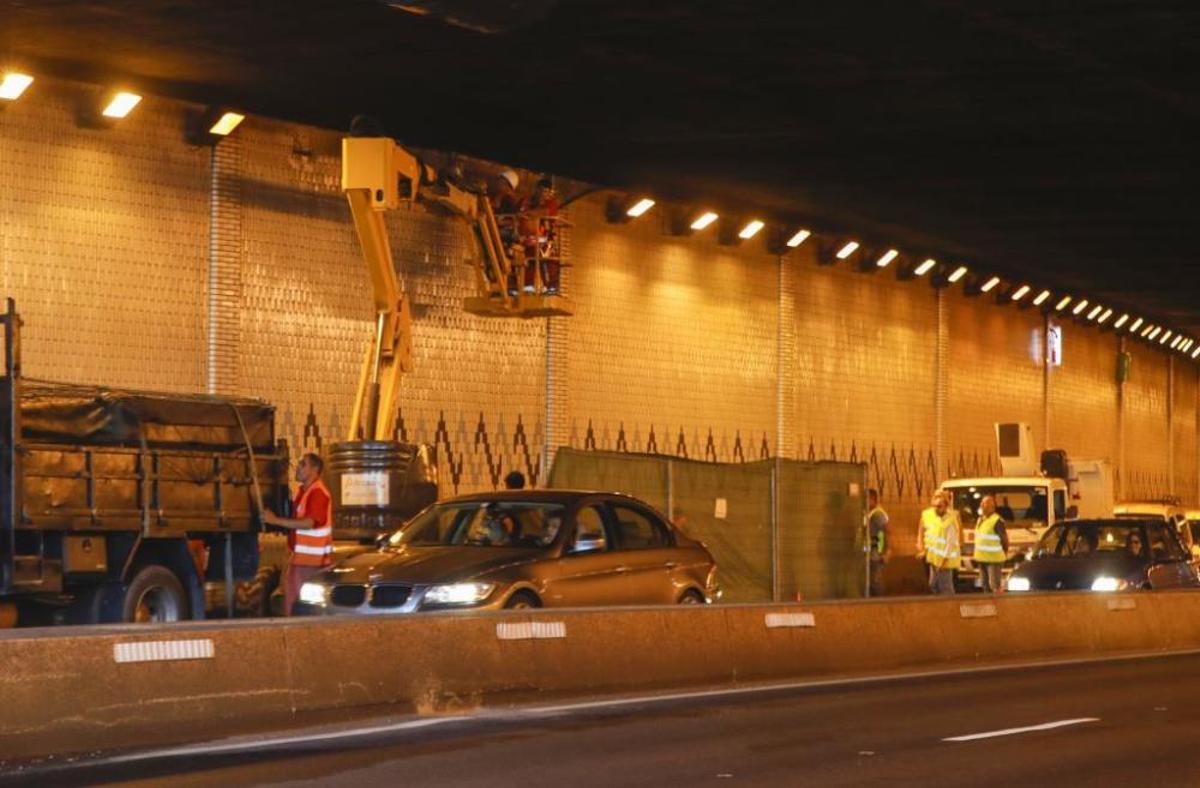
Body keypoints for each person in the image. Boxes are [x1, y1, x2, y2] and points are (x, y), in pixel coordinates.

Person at [261, 453, 333, 615]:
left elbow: (308, 523)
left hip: (312, 562)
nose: (298, 468)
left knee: (299, 607)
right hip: (302, 559)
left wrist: (275, 520)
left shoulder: (318, 492)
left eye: (303, 464)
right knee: (293, 603)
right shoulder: (303, 492)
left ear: (315, 469)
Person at [917, 492, 959, 595]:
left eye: (939, 506)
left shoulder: (949, 522)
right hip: (934, 560)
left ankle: (949, 604)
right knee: (933, 585)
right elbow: (932, 539)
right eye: (935, 506)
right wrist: (924, 551)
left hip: (944, 561)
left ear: (945, 507)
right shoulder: (937, 520)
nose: (936, 509)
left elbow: (950, 543)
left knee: (945, 588)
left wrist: (944, 560)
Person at [973, 495, 1009, 594]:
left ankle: (998, 603)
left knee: (995, 586)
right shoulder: (981, 519)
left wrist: (1005, 552)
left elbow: (1004, 540)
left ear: (991, 506)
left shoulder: (997, 520)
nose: (981, 505)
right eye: (981, 503)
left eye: (984, 503)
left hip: (994, 560)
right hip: (981, 559)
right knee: (985, 586)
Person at [866, 489, 891, 596]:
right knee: (871, 580)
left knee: (875, 580)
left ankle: (880, 601)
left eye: (867, 499)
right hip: (871, 551)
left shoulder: (878, 514)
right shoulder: (870, 513)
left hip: (877, 553)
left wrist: (887, 551)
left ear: (872, 499)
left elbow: (887, 532)